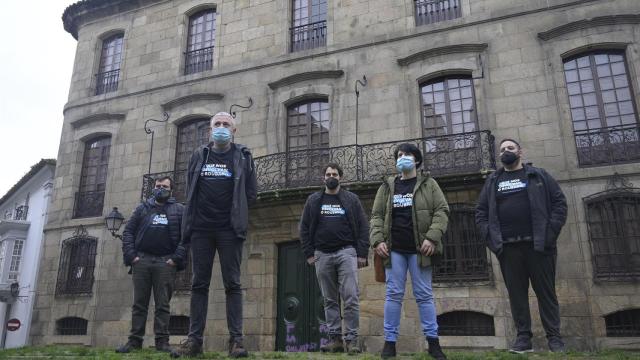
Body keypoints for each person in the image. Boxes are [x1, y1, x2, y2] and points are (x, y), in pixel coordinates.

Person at [172, 112, 257, 358]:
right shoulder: (199, 155)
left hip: (229, 230)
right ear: (210, 131)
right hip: (201, 229)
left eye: (226, 124)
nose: (221, 128)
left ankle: (236, 342)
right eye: (217, 124)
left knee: (233, 284)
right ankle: (194, 341)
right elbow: (190, 188)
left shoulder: (242, 156)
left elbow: (251, 192)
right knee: (199, 284)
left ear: (234, 131)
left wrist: (237, 213)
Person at [476, 138, 567, 353]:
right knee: (517, 296)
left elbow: (559, 204)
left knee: (546, 294)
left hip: (539, 246)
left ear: (520, 152)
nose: (506, 151)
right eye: (502, 149)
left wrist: (550, 233)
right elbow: (480, 212)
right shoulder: (493, 180)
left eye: (510, 148)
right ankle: (523, 339)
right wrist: (492, 240)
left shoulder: (538, 176)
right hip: (507, 248)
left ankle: (554, 339)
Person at [370, 143, 449, 360]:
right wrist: (377, 241)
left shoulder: (429, 184)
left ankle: (433, 344)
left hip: (420, 250)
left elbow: (441, 211)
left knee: (424, 295)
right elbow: (376, 216)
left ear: (416, 160)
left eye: (407, 154)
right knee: (393, 295)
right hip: (393, 250)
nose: (402, 158)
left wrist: (432, 237)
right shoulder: (386, 187)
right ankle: (390, 344)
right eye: (399, 155)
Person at [299, 163, 370, 354]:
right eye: (328, 174)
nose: (332, 176)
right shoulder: (314, 200)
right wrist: (309, 253)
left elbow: (363, 226)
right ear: (323, 178)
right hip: (322, 254)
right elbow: (304, 228)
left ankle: (352, 340)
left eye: (335, 174)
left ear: (341, 177)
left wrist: (362, 253)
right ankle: (335, 339)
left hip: (346, 252)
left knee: (351, 297)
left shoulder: (351, 199)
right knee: (329, 299)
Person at [117, 176, 186, 354]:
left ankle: (162, 342)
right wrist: (132, 257)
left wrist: (175, 259)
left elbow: (186, 238)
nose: (160, 188)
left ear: (171, 190)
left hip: (165, 262)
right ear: (153, 188)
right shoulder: (142, 208)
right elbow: (128, 233)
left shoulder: (179, 210)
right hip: (142, 261)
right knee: (139, 304)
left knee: (163, 305)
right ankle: (134, 341)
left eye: (164, 186)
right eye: (158, 186)